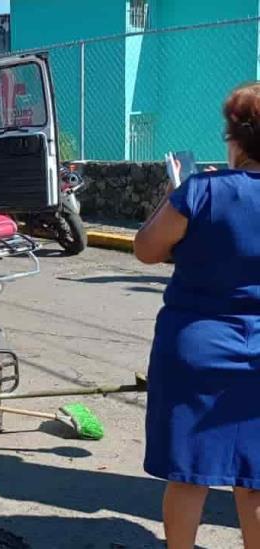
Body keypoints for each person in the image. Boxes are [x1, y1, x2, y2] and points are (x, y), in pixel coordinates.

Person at [135, 83, 260, 548]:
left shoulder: (201, 191)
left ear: (236, 139)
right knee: (256, 480)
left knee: (189, 475)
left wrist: (178, 203)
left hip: (195, 351)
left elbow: (146, 250)